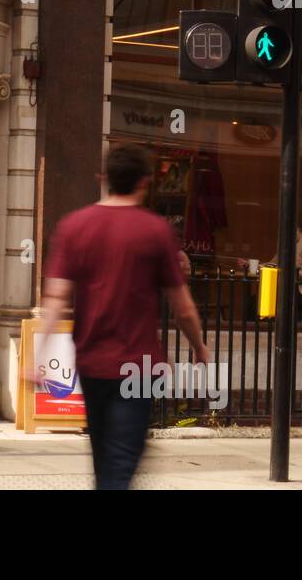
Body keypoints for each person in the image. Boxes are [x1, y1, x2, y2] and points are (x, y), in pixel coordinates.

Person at [37, 144, 209, 490]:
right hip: (139, 365)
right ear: (145, 182)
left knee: (103, 454)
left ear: (104, 179)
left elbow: (55, 297)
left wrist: (38, 354)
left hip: (91, 361)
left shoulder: (74, 226)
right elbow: (183, 307)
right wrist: (199, 346)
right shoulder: (155, 230)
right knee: (123, 458)